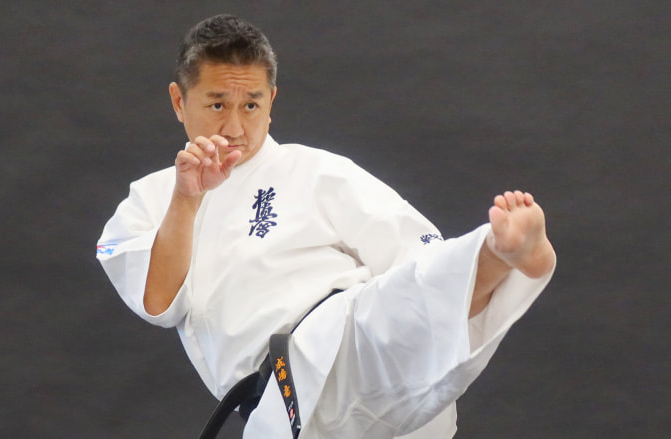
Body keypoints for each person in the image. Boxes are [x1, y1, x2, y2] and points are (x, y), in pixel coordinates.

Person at [96, 14, 556, 439]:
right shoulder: (150, 199)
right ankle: (496, 258)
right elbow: (157, 303)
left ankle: (499, 253)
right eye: (217, 104)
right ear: (179, 101)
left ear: (271, 102)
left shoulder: (316, 170)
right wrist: (186, 198)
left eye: (251, 105)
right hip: (276, 403)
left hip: (342, 334)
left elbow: (414, 250)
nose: (234, 126)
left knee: (400, 303)